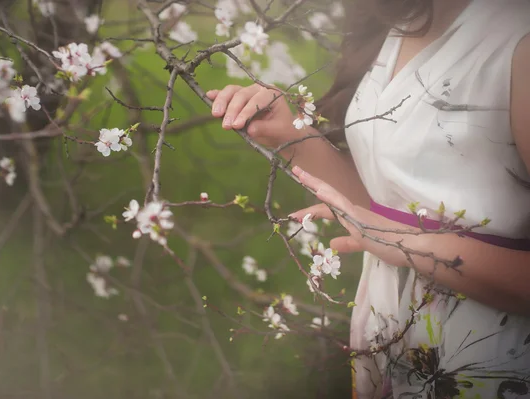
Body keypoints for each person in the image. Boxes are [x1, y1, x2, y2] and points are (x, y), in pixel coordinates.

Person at [206, 0, 530, 397]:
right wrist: (291, 134)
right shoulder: (401, 19)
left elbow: (389, 231)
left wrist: (400, 243)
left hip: (487, 359)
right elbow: (385, 209)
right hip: (387, 338)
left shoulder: (517, 38)